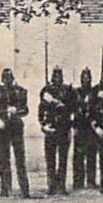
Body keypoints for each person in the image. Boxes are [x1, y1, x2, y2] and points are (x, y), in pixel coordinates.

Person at [0, 69, 31, 198]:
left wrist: (16, 111)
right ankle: (5, 188)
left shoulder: (20, 92)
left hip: (16, 128)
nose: (7, 81)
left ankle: (24, 189)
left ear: (13, 78)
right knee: (3, 158)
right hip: (3, 129)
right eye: (5, 78)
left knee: (20, 158)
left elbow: (25, 110)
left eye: (9, 78)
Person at [38, 68, 75, 196]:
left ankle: (61, 186)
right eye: (55, 76)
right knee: (50, 159)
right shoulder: (46, 90)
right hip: (51, 128)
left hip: (63, 128)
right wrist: (43, 125)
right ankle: (51, 186)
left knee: (63, 159)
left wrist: (62, 105)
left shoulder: (68, 91)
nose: (57, 78)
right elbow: (41, 110)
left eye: (59, 76)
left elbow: (73, 107)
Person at [71, 68, 99, 192]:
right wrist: (74, 125)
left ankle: (91, 181)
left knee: (91, 155)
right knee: (78, 156)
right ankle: (78, 182)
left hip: (91, 127)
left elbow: (97, 109)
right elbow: (72, 109)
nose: (86, 80)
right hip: (80, 126)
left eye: (88, 78)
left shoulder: (94, 92)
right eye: (84, 78)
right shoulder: (76, 92)